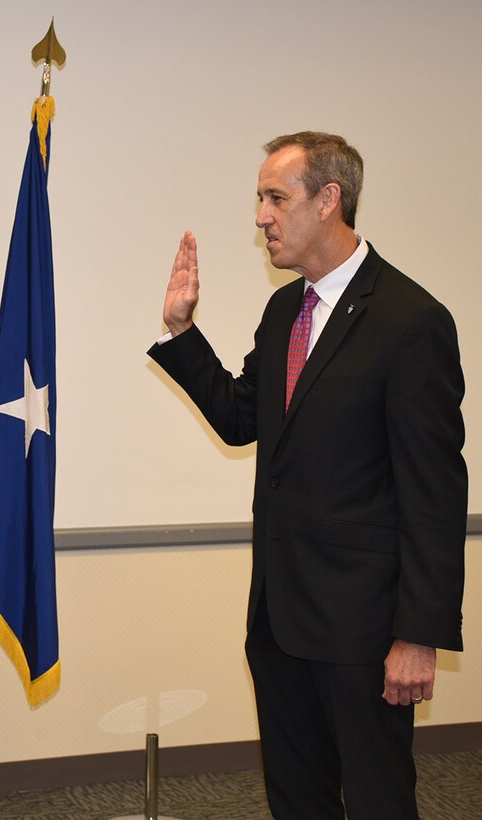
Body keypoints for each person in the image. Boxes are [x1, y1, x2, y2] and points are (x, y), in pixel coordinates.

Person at [148, 132, 466, 819]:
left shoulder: (411, 321)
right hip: (279, 619)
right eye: (260, 198)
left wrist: (418, 634)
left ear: (329, 201)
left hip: (364, 632)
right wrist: (182, 333)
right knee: (296, 799)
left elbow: (435, 492)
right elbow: (241, 418)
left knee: (379, 800)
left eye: (274, 197)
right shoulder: (284, 310)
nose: (260, 216)